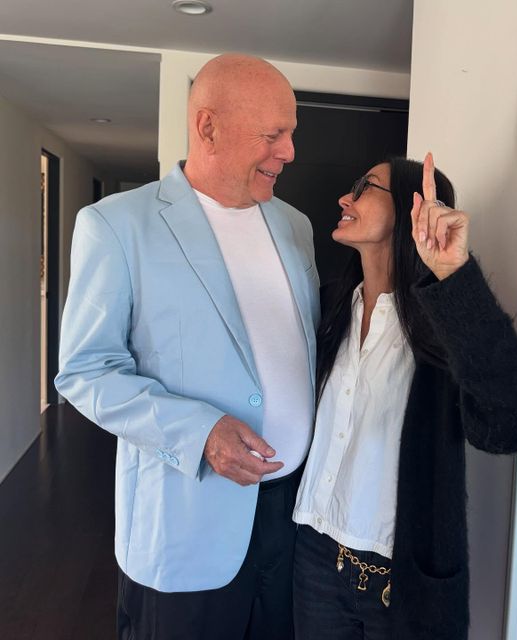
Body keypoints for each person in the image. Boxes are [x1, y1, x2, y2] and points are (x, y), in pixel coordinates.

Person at [55, 54, 319, 640]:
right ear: (208, 127)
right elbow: (85, 371)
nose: (289, 152)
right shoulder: (117, 224)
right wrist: (200, 433)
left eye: (291, 133)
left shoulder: (295, 227)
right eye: (273, 134)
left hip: (291, 520)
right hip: (185, 520)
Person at [292, 153, 517, 640]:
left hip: (402, 581)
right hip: (314, 561)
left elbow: (515, 424)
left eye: (364, 188)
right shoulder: (327, 307)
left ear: (411, 208)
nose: (345, 198)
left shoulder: (442, 326)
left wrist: (455, 275)